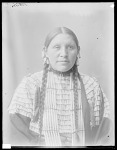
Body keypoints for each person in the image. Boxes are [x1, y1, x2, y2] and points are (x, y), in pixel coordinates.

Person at [8, 27, 113, 147]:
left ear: (78, 51)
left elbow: (105, 135)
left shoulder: (91, 86)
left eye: (70, 47)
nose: (64, 54)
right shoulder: (31, 84)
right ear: (45, 51)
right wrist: (44, 142)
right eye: (57, 47)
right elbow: (16, 135)